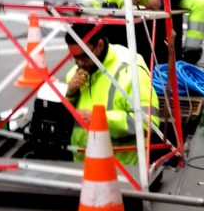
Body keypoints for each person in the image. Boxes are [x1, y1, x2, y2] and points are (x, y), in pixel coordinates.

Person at [64, 21, 158, 164]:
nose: (80, 63)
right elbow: (69, 118)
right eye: (74, 58)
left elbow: (148, 123)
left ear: (100, 45)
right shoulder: (75, 75)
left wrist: (101, 119)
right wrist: (71, 94)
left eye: (84, 56)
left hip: (121, 168)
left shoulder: (130, 69)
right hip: (83, 164)